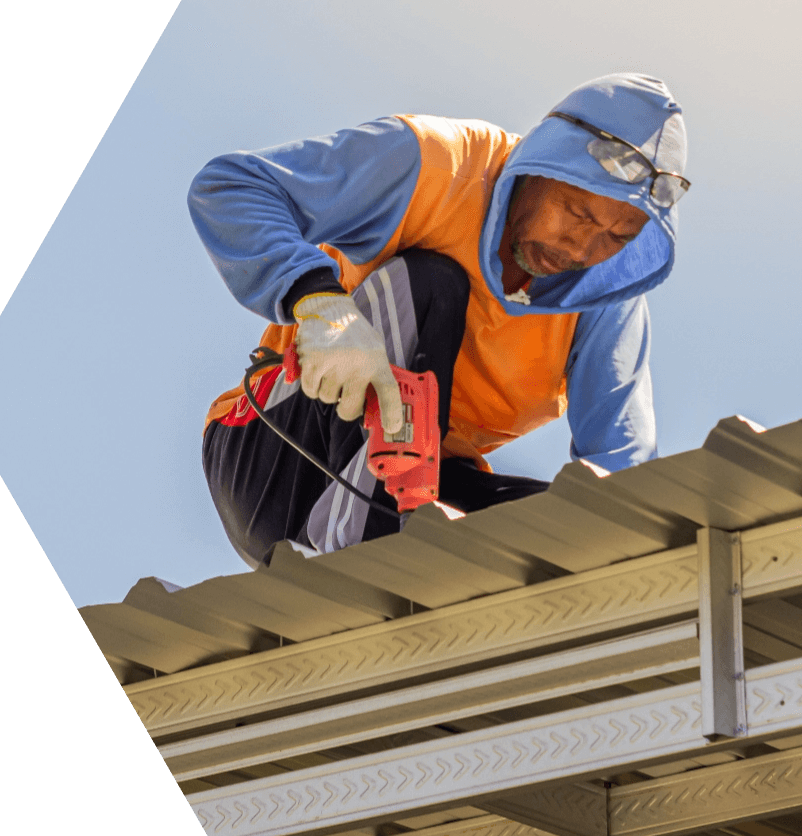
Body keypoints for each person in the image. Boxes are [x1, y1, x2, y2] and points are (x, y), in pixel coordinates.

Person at [190, 72, 689, 569]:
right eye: (577, 212)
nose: (584, 248)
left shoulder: (602, 296)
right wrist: (320, 305)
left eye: (616, 238)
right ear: (539, 164)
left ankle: (399, 546)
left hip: (419, 482)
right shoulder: (435, 164)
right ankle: (362, 557)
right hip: (274, 457)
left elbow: (620, 470)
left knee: (559, 532)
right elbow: (231, 187)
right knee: (432, 283)